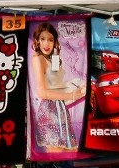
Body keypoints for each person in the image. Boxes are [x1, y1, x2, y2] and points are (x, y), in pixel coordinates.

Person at [30, 23, 86, 152]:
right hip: (48, 112)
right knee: (56, 154)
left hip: (61, 111)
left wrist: (77, 88)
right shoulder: (38, 59)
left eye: (50, 40)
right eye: (42, 39)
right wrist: (72, 95)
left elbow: (57, 83)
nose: (46, 44)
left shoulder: (53, 59)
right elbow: (42, 93)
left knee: (69, 153)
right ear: (37, 41)